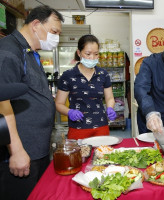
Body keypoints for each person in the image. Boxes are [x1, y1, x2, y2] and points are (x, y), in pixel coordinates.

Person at [0, 5, 63, 199]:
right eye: (54, 32)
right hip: (21, 152)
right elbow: (2, 102)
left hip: (37, 149)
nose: (56, 38)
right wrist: (16, 151)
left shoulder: (29, 52)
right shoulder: (9, 51)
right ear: (36, 24)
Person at [55, 34, 116, 139]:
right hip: (78, 128)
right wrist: (69, 112)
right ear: (79, 53)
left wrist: (110, 107)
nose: (92, 58)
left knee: (102, 154)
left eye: (96, 54)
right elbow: (58, 104)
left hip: (101, 126)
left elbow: (109, 98)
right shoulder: (68, 75)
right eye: (88, 54)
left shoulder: (103, 74)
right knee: (78, 155)